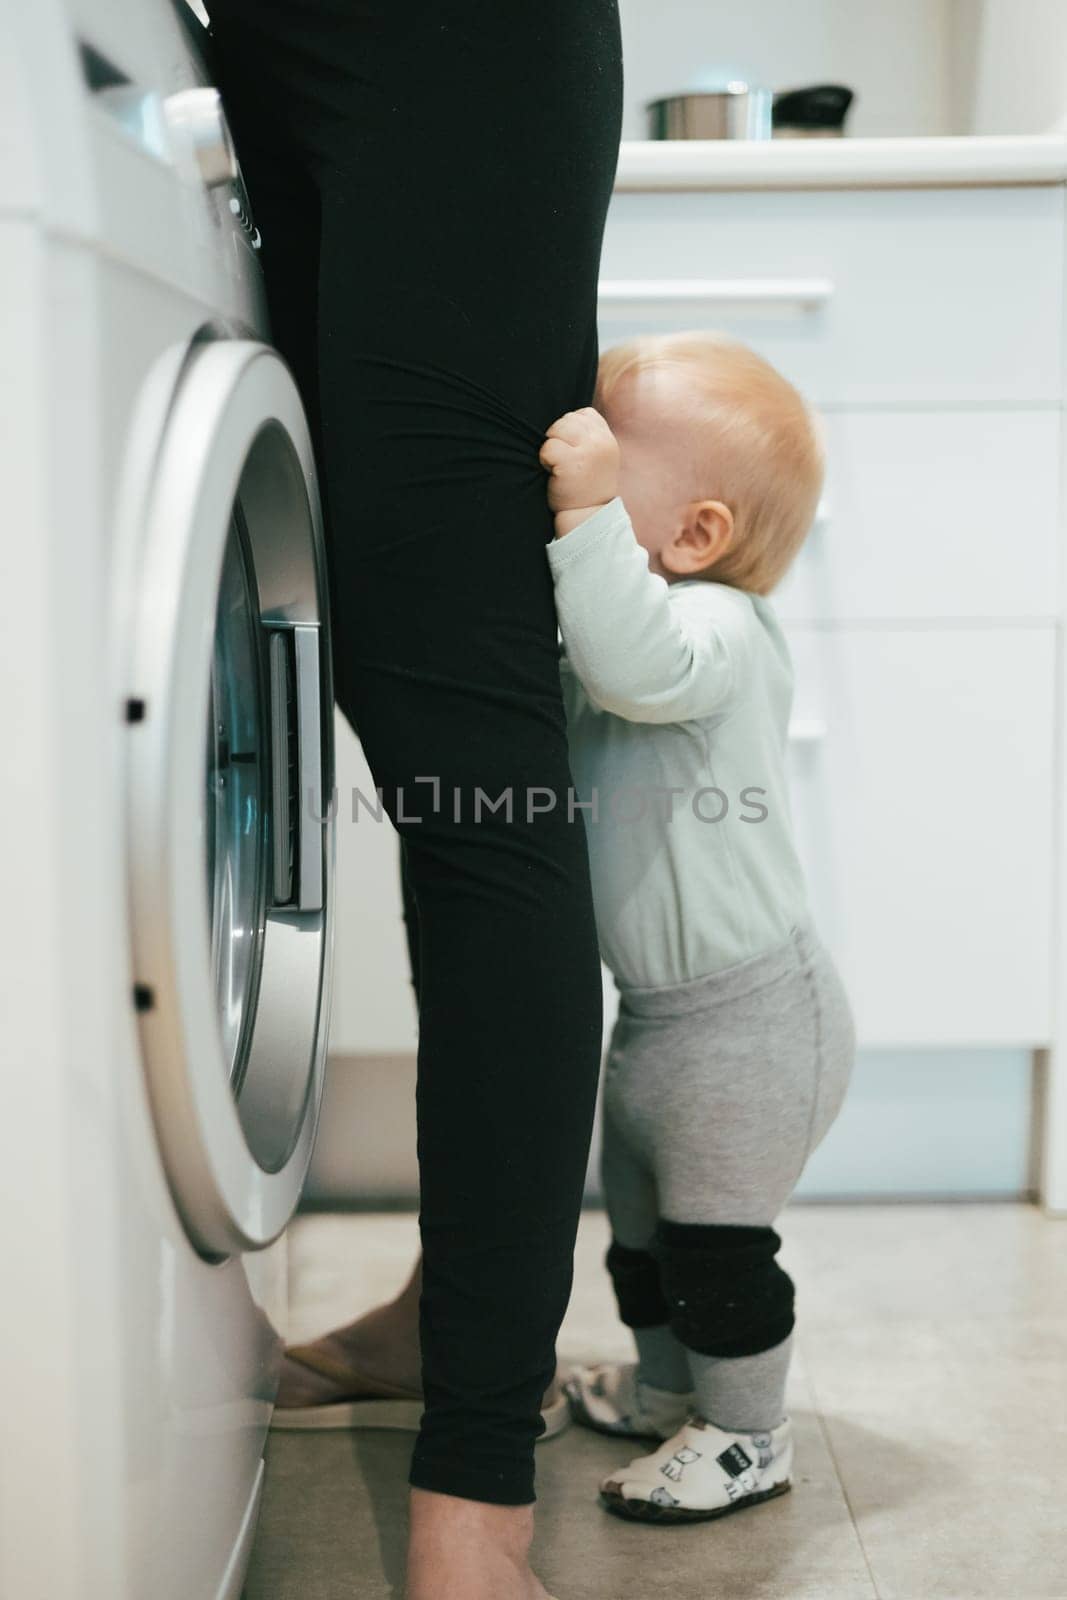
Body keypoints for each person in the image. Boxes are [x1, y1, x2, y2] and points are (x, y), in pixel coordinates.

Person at [206, 5, 622, 1596]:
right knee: (372, 656)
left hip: (444, 36)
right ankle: (450, 1318)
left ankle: (474, 1501)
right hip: (265, 35)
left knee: (471, 773)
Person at [541, 332, 855, 1523]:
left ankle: (746, 1433)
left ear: (695, 536)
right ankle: (673, 1387)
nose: (571, 470)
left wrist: (575, 519)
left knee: (716, 1251)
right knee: (642, 1238)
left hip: (754, 1019)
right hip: (661, 1015)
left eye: (609, 466)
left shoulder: (717, 630)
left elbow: (627, 664)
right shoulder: (664, 613)